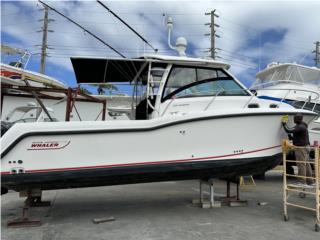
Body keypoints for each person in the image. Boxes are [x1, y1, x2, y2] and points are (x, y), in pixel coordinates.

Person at [282, 113, 314, 186]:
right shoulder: (300, 126)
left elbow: (288, 130)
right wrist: (290, 136)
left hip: (301, 148)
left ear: (298, 119)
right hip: (305, 147)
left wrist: (284, 123)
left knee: (301, 164)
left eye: (295, 118)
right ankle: (310, 181)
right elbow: (294, 134)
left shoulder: (300, 127)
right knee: (306, 164)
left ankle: (301, 181)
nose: (294, 119)